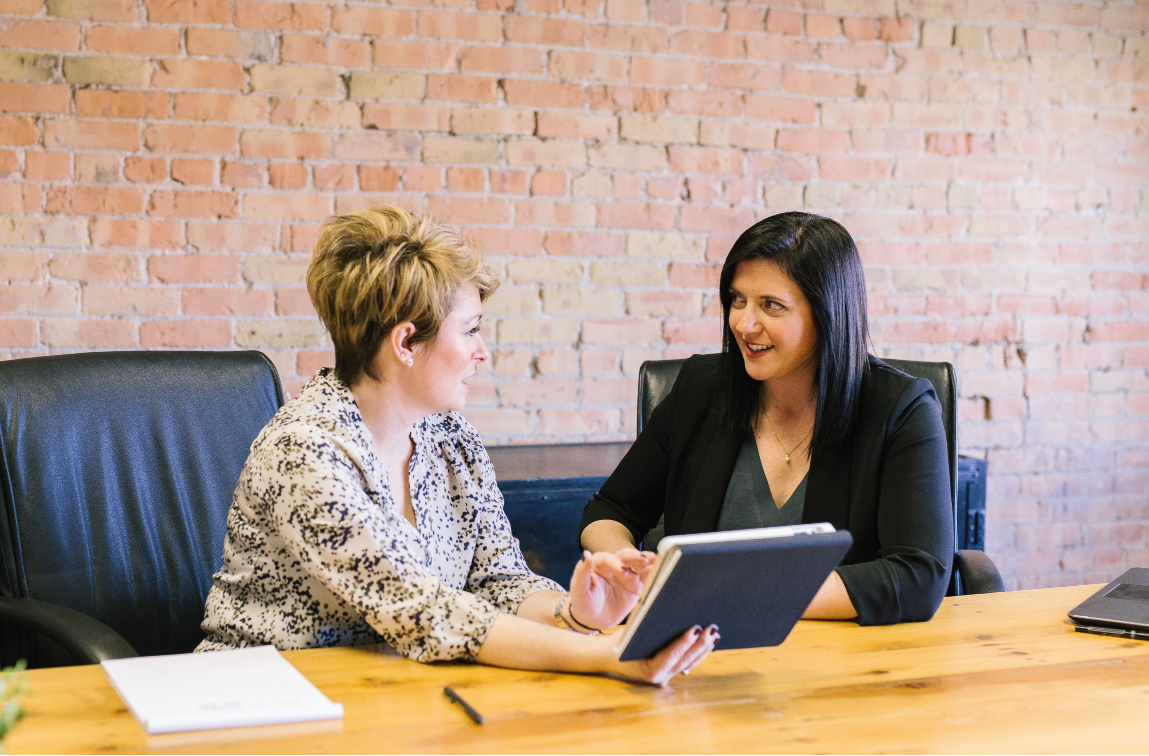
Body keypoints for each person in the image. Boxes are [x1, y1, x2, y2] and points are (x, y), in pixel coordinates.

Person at [198, 206, 717, 683]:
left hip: (394, 691)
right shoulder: (304, 451)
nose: (482, 352)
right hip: (261, 698)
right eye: (470, 331)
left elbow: (499, 580)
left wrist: (577, 614)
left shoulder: (450, 436)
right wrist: (606, 655)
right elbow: (425, 611)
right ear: (406, 343)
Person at [580, 211, 954, 625]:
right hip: (697, 653)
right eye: (737, 300)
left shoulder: (902, 410)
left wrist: (735, 594)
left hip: (840, 661)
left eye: (771, 306)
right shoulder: (701, 389)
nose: (743, 323)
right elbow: (610, 510)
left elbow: (918, 575)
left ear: (828, 313)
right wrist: (624, 566)